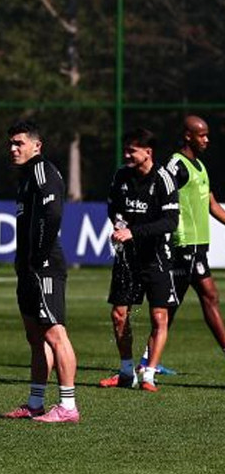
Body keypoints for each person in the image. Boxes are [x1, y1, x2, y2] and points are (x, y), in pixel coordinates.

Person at [4, 120, 79, 424]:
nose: (13, 149)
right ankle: (36, 402)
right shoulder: (24, 178)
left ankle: (68, 405)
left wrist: (39, 255)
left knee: (54, 332)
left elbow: (54, 213)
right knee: (35, 336)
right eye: (10, 143)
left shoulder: (41, 170)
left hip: (43, 264)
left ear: (37, 145)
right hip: (28, 266)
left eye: (19, 143)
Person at [100, 128, 179, 391]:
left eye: (132, 150)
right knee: (119, 315)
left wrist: (133, 231)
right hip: (128, 259)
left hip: (156, 258)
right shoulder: (121, 175)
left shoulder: (164, 179)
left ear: (148, 152)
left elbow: (170, 222)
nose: (127, 154)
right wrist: (119, 223)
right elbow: (113, 206)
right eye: (126, 149)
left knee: (159, 318)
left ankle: (149, 374)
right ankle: (125, 371)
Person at [163, 115, 225, 359]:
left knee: (169, 307)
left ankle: (148, 361)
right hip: (184, 244)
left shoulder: (199, 166)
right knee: (209, 296)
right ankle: (146, 363)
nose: (207, 139)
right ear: (188, 136)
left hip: (198, 246)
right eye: (202, 135)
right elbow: (160, 194)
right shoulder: (176, 165)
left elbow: (212, 205)